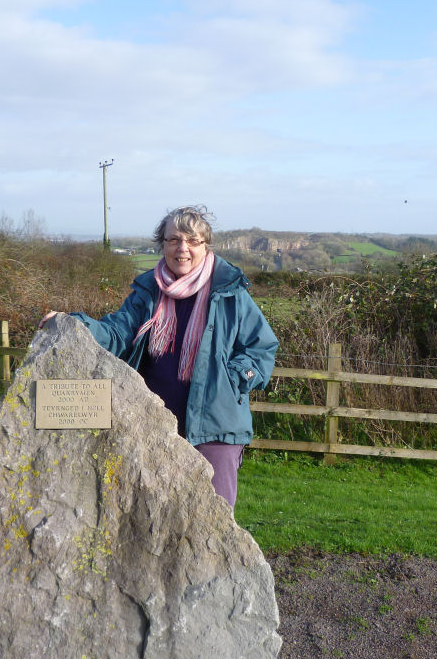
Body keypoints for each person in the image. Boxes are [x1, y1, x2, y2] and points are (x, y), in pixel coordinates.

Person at [39, 206, 278, 509]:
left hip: (216, 429)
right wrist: (74, 324)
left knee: (213, 522)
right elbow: (116, 333)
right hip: (155, 425)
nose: (183, 249)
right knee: (155, 520)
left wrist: (232, 379)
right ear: (162, 244)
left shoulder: (230, 294)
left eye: (193, 240)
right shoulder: (149, 292)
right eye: (174, 239)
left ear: (206, 245)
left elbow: (262, 347)